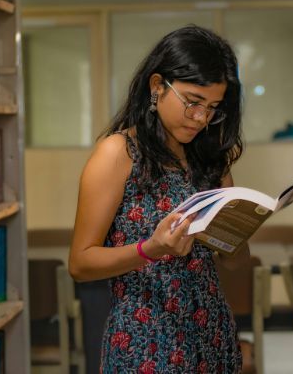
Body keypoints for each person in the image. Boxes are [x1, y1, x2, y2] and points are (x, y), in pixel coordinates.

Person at [69, 25, 250, 373]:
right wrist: (151, 249)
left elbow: (235, 263)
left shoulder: (209, 159)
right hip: (146, 342)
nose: (201, 118)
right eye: (193, 102)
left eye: (213, 107)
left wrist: (236, 232)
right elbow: (80, 263)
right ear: (157, 87)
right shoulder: (118, 153)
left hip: (212, 335)